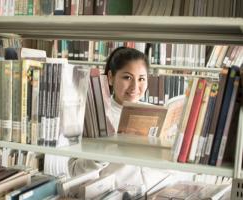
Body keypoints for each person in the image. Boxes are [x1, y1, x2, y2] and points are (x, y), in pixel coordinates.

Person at [68, 46, 194, 190]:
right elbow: (74, 170)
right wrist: (98, 157)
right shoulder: (92, 113)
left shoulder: (157, 113)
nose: (135, 86)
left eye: (141, 79)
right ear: (110, 77)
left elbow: (171, 171)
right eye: (127, 77)